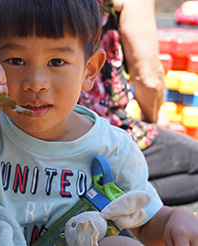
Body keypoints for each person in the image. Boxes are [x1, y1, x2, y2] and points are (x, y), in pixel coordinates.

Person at [0, 0, 198, 245]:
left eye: (56, 62)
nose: (35, 83)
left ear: (90, 70)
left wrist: (172, 219)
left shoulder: (114, 146)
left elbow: (148, 226)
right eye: (16, 61)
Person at [79, 0, 198, 206]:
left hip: (26, 122)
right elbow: (148, 79)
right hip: (101, 128)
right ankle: (121, 205)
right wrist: (152, 119)